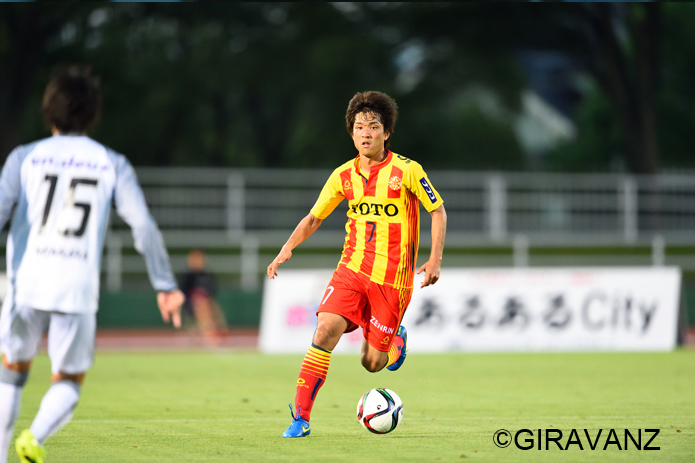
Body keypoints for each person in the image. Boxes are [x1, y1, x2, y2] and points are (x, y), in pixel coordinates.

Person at [0, 66, 184, 463]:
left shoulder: (24, 157)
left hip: (26, 283)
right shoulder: (111, 162)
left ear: (48, 111)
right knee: (68, 380)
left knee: (11, 372)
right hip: (76, 287)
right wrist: (165, 284)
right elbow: (142, 225)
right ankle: (34, 437)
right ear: (93, 114)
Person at [267, 91, 447, 438]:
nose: (366, 133)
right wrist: (286, 248)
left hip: (392, 281)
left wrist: (435, 259)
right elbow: (314, 217)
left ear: (386, 132)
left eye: (374, 126)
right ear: (351, 133)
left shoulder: (407, 171)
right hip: (351, 270)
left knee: (372, 363)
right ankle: (301, 419)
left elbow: (437, 210)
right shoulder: (342, 176)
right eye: (360, 127)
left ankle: (395, 342)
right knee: (324, 331)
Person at [179, 249, 229, 341]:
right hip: (192, 305)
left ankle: (220, 329)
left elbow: (213, 290)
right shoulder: (187, 276)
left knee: (210, 305)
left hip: (208, 303)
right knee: (201, 304)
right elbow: (182, 293)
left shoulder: (207, 275)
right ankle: (209, 332)